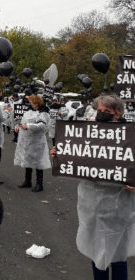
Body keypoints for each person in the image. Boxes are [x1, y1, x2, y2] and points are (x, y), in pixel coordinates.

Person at [51, 95, 135, 280]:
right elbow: (77, 154)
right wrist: (60, 152)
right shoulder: (87, 131)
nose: (102, 114)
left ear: (118, 114)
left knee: (117, 256)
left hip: (118, 206)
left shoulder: (129, 135)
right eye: (100, 111)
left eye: (108, 112)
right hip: (92, 204)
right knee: (96, 251)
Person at [14, 94, 51, 192]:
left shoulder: (43, 113)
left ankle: (39, 184)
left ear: (37, 103)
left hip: (37, 142)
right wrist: (19, 126)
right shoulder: (29, 111)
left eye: (32, 102)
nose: (30, 104)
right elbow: (23, 122)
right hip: (27, 141)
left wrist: (29, 126)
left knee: (38, 162)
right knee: (27, 161)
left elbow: (43, 126)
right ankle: (27, 181)